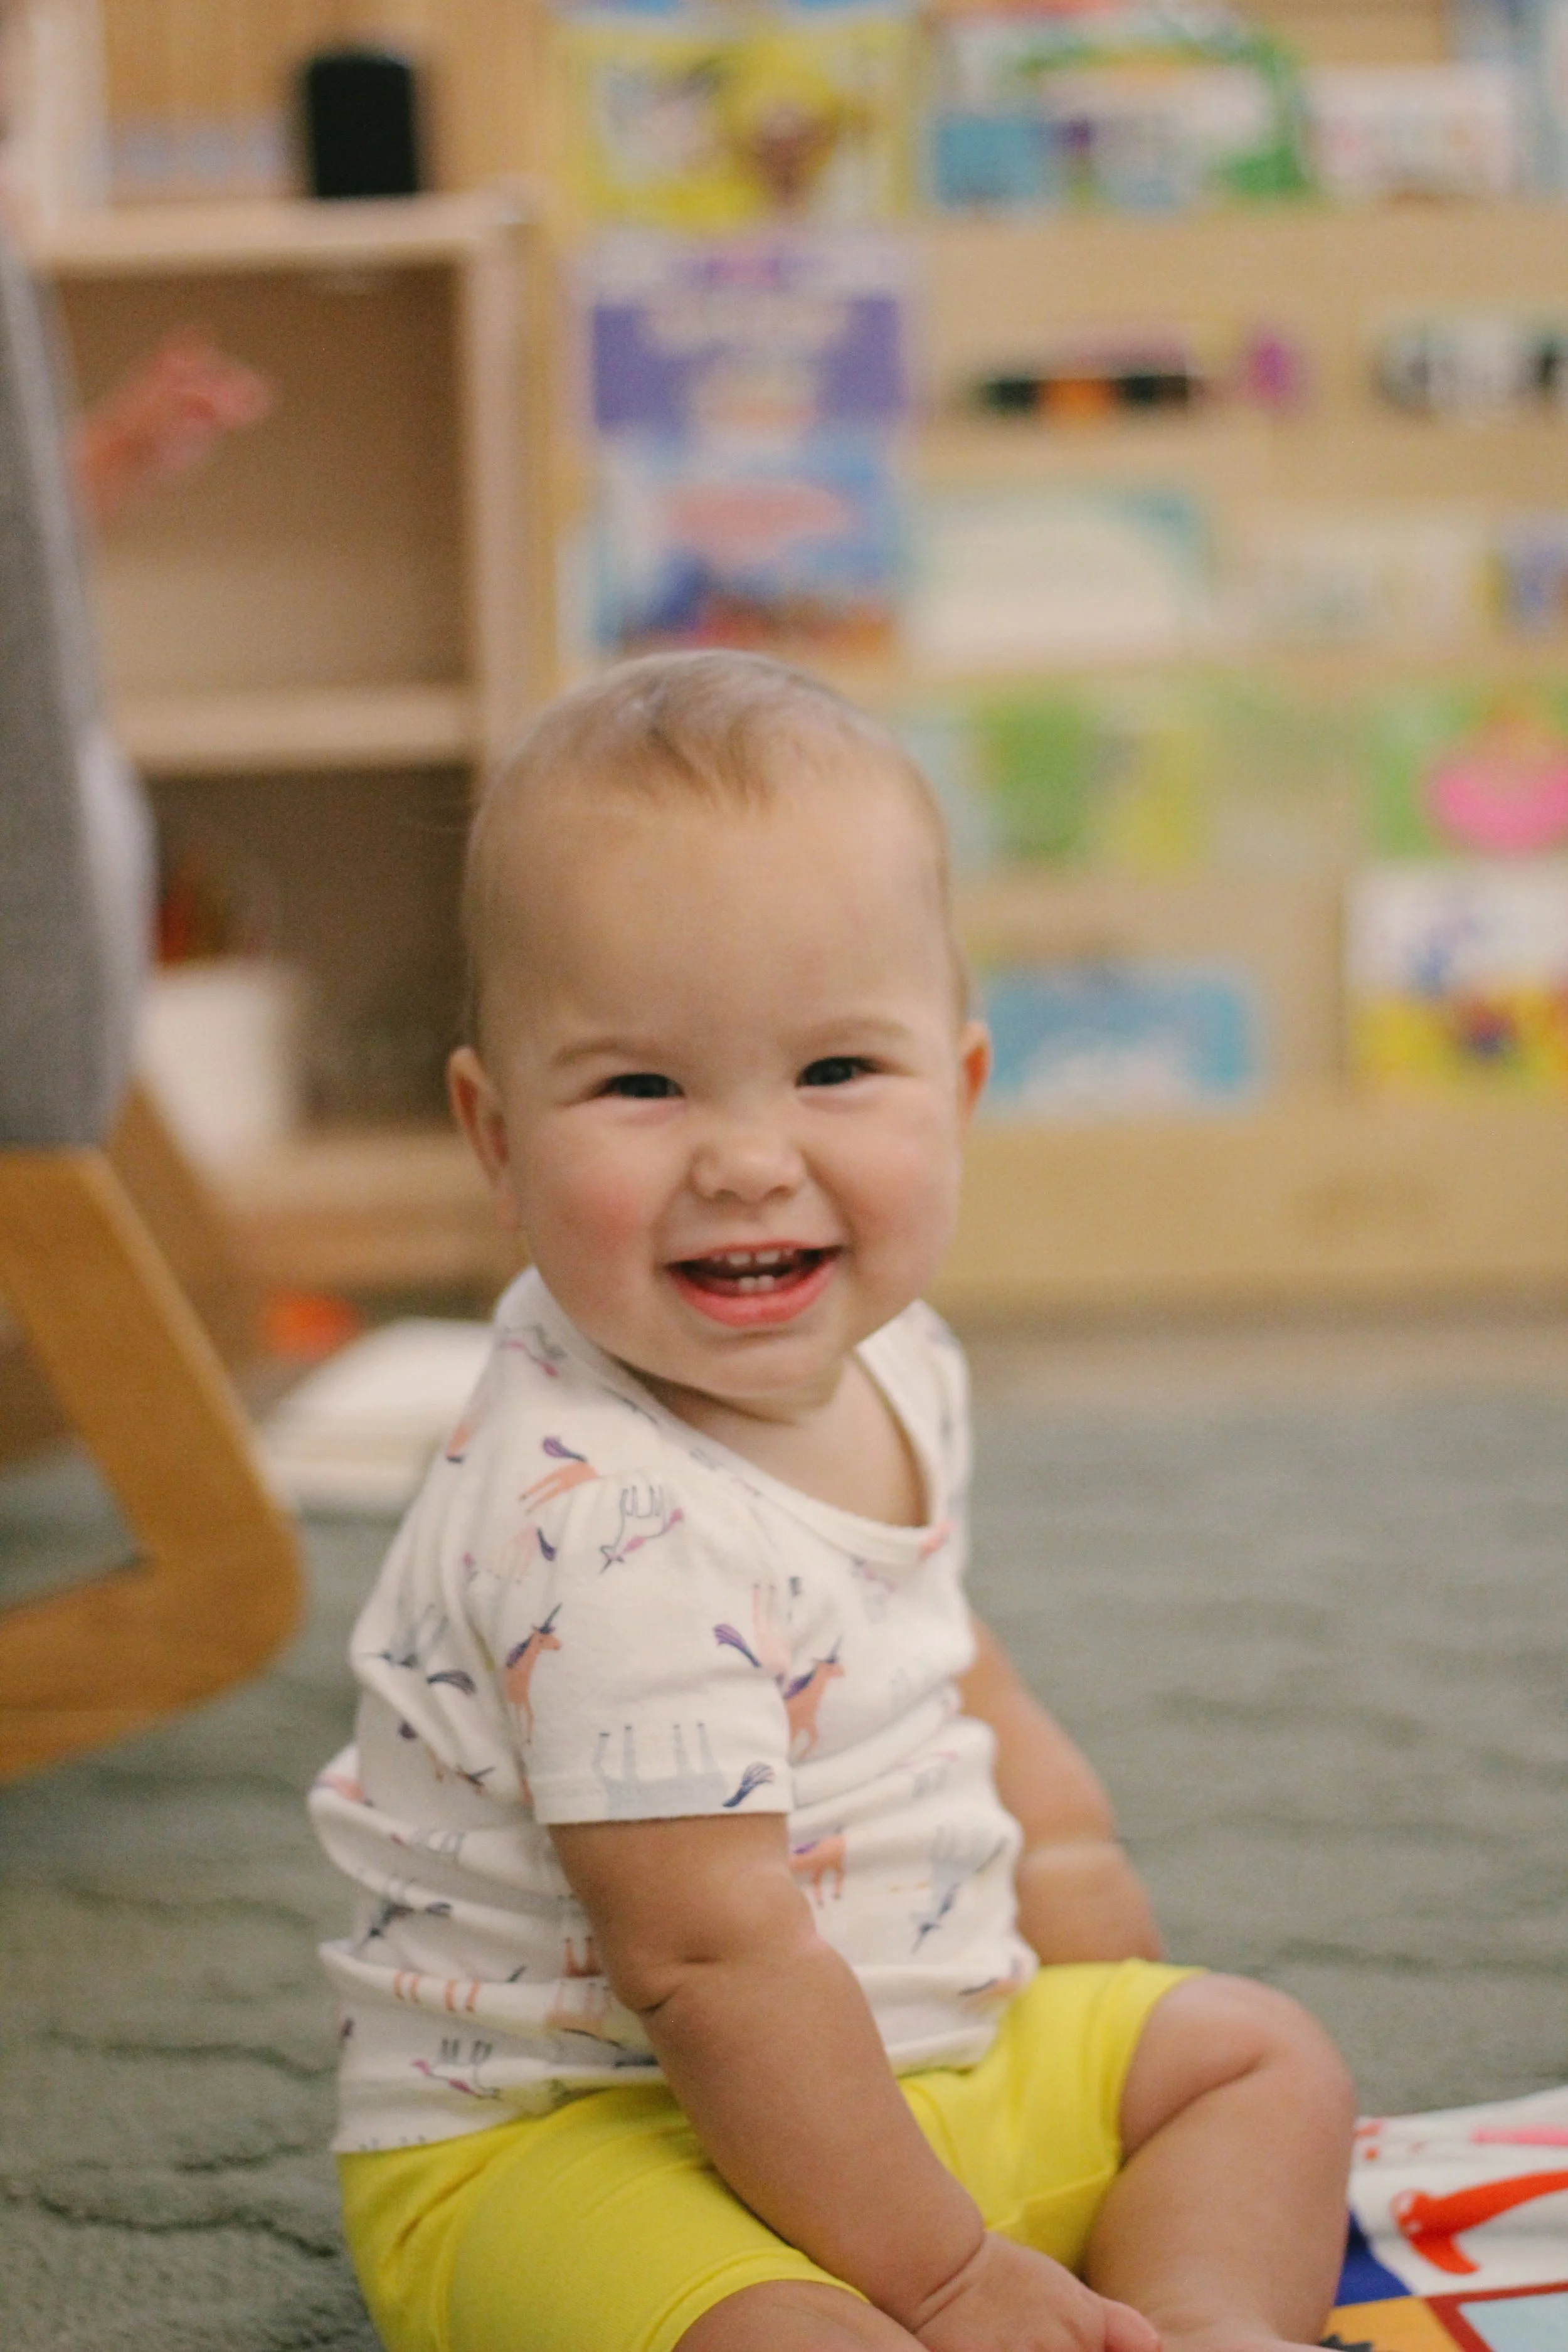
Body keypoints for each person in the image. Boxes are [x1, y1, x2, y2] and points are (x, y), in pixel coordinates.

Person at [311, 650, 1355, 2352]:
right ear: (492, 1133)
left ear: (956, 1087)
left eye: (832, 1073)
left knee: (1256, 2056)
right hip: (579, 2136)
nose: (743, 1156)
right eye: (640, 1086)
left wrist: (1069, 1859)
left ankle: (1198, 2322)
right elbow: (703, 1960)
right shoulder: (600, 1521)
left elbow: (933, 1632)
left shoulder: (897, 1354)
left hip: (911, 2047)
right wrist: (939, 2276)